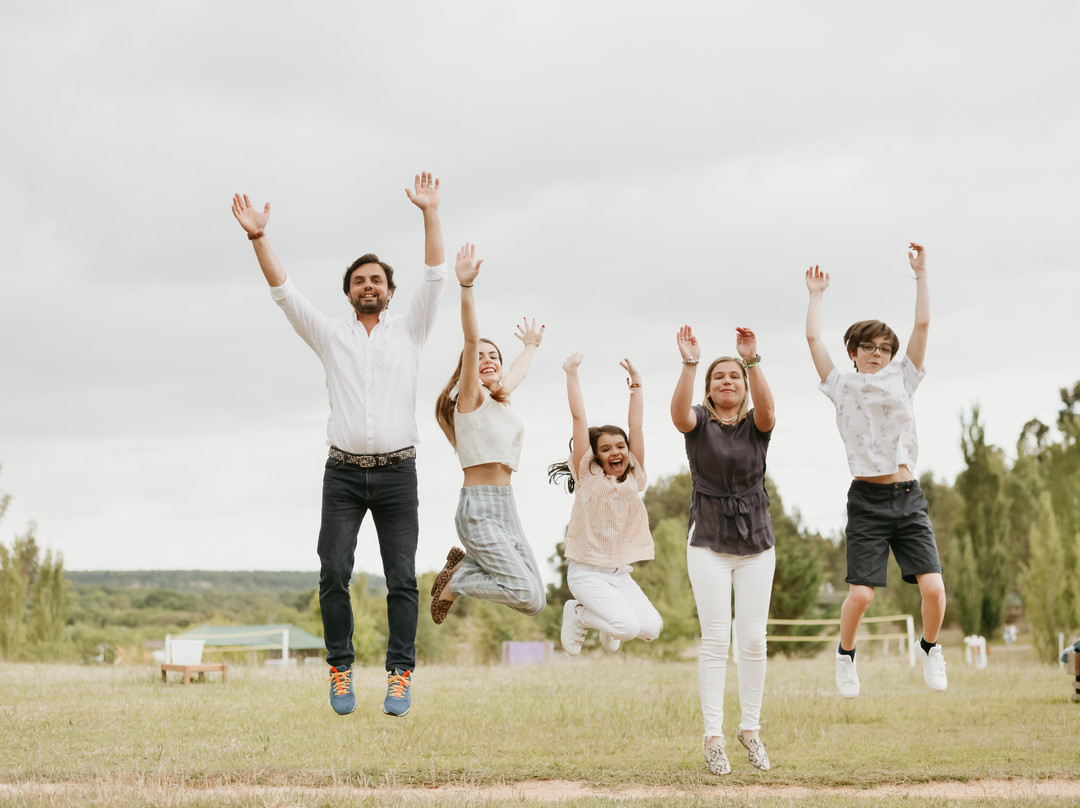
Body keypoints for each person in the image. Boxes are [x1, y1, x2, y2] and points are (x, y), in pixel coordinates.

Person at [230, 173, 445, 719]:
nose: (368, 286)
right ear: (348, 293)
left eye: (377, 280)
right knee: (332, 571)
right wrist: (258, 238)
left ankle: (399, 676)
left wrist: (429, 212)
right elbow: (284, 294)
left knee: (402, 577)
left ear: (390, 293)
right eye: (359, 281)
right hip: (343, 476)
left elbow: (436, 274)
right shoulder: (329, 335)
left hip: (399, 475)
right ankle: (340, 666)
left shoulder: (411, 332)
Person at [804, 242, 947, 700]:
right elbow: (813, 341)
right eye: (868, 348)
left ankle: (930, 647)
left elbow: (922, 323)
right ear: (854, 351)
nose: (877, 354)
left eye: (884, 349)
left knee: (934, 589)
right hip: (867, 500)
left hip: (908, 497)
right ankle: (845, 656)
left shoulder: (904, 377)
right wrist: (816, 295)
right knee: (862, 595)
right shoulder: (840, 386)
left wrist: (921, 273)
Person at [671, 325, 776, 776]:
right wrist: (691, 364)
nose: (727, 381)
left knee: (752, 639)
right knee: (716, 639)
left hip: (756, 540)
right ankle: (713, 735)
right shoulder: (697, 422)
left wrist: (752, 359)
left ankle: (749, 730)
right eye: (720, 378)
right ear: (710, 390)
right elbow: (677, 415)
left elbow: (771, 410)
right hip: (709, 539)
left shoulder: (757, 425)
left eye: (735, 376)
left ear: (745, 384)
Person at [430, 243, 546, 623]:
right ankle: (456, 581)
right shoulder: (468, 397)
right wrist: (466, 288)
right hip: (478, 507)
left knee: (538, 599)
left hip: (506, 506)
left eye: (494, 355)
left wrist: (530, 346)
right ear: (466, 367)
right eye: (480, 357)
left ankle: (462, 567)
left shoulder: (500, 399)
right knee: (524, 594)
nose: (489, 360)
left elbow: (518, 371)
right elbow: (470, 338)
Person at [548, 354, 663, 656]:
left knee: (651, 628)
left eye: (621, 447)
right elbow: (578, 419)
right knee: (626, 628)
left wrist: (636, 384)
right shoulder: (588, 476)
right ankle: (578, 613)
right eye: (606, 449)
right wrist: (571, 373)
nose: (616, 452)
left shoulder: (635, 477)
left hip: (618, 574)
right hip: (586, 572)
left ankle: (609, 623)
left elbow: (636, 427)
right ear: (596, 456)